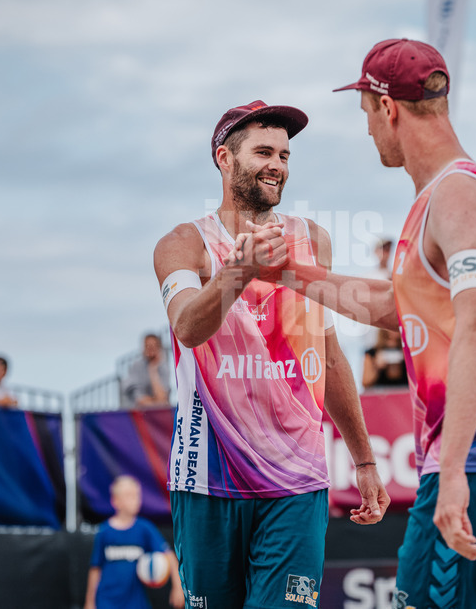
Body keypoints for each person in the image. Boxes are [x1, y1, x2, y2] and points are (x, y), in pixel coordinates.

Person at [288, 38, 476, 607]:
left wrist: (451, 475)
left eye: (366, 115)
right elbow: (399, 308)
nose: (368, 131)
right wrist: (288, 273)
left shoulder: (456, 195)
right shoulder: (469, 190)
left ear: (388, 108)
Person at [152, 98, 388, 608]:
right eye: (264, 152)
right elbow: (189, 328)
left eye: (284, 155)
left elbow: (328, 352)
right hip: (208, 478)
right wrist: (239, 270)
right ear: (224, 158)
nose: (278, 166)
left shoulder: (310, 240)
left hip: (296, 478)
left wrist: (364, 458)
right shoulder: (184, 244)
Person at [85, 476, 182, 609]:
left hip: (136, 602)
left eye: (137, 495)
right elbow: (95, 568)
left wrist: (178, 587)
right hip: (106, 601)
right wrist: (89, 602)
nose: (135, 500)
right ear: (115, 501)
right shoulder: (104, 531)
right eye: (129, 496)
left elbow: (169, 556)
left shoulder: (145, 528)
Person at [121, 334, 170, 408]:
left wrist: (153, 369)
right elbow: (139, 399)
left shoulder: (164, 367)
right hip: (138, 412)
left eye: (153, 346)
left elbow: (162, 397)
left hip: (159, 412)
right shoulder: (136, 366)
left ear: (158, 348)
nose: (150, 349)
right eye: (147, 346)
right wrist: (154, 401)